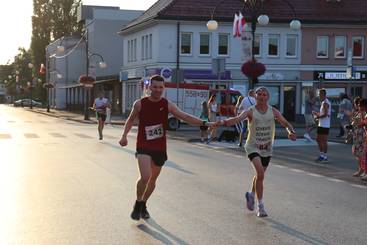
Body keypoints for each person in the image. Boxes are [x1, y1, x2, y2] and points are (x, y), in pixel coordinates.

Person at [119, 75, 215, 221]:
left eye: (161, 87)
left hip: (159, 147)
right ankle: (138, 203)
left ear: (164, 88)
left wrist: (205, 123)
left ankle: (144, 204)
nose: (158, 90)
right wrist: (124, 136)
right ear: (149, 87)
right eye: (155, 87)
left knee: (152, 180)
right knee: (145, 177)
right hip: (143, 145)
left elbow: (185, 117)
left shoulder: (167, 104)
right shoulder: (139, 104)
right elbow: (131, 119)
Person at [215, 87, 296, 217]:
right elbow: (237, 119)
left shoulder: (273, 111)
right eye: (259, 94)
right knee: (260, 174)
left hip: (267, 148)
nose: (262, 97)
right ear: (255, 97)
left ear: (268, 97)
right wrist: (222, 122)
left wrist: (291, 132)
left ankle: (251, 194)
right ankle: (261, 207)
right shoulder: (250, 112)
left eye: (265, 95)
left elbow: (285, 123)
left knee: (259, 175)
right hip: (252, 147)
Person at [313, 89, 331, 162]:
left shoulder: (325, 103)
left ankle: (324, 156)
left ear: (323, 94)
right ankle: (322, 155)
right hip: (322, 124)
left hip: (324, 125)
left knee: (323, 141)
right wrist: (317, 114)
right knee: (319, 140)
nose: (319, 96)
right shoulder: (324, 102)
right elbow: (325, 114)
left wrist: (317, 117)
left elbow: (326, 114)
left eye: (319, 94)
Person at [350, 97, 366, 177]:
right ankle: (361, 169)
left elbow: (361, 123)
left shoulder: (362, 113)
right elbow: (354, 122)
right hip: (357, 134)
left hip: (361, 135)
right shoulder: (358, 113)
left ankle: (362, 170)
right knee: (357, 153)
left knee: (361, 153)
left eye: (358, 105)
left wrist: (355, 123)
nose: (356, 106)